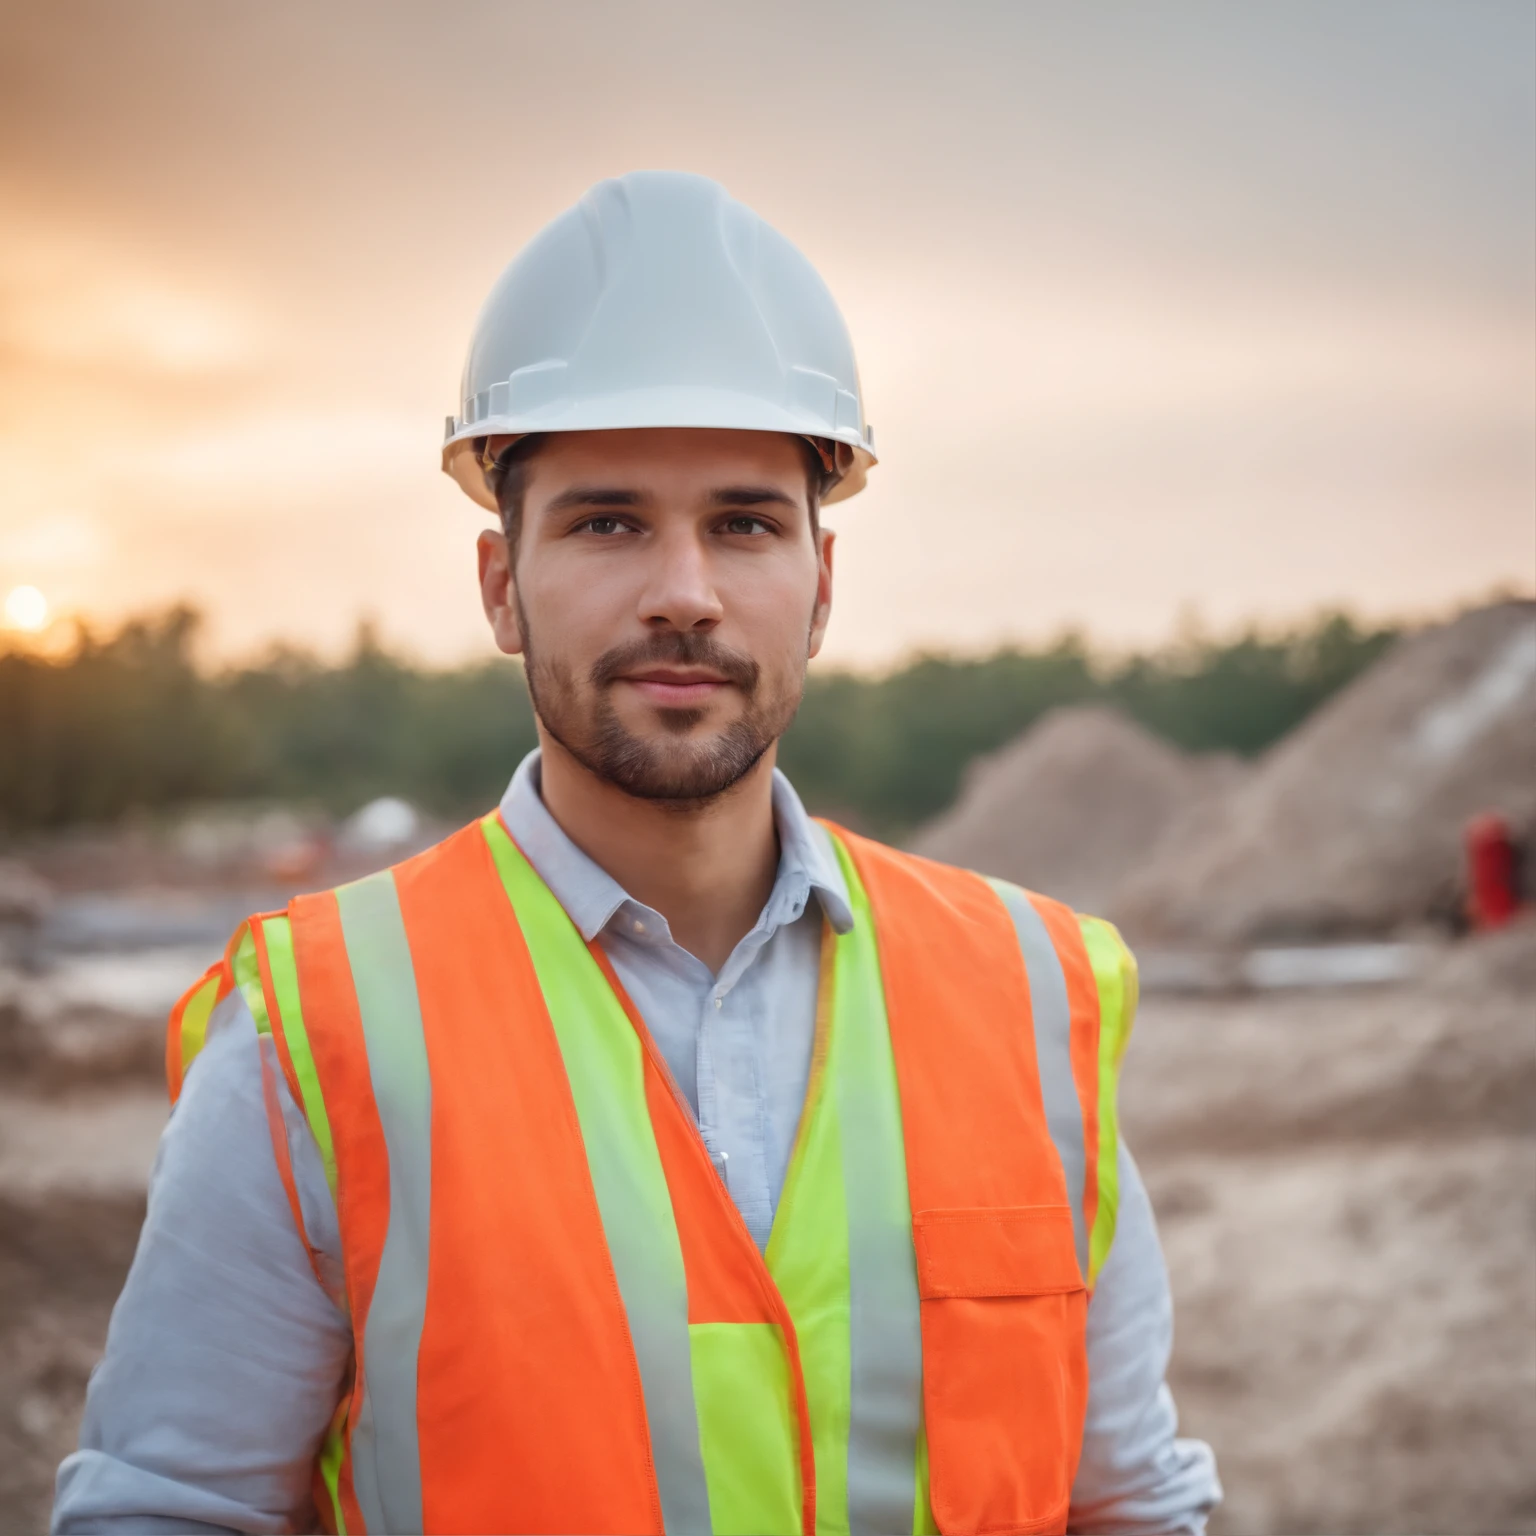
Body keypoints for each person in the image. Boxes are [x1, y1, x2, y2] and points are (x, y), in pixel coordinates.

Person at [54, 171, 1219, 1535]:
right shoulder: (321, 1034)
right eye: (609, 522)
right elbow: (171, 1506)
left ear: (822, 586)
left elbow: (1132, 1502)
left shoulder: (1028, 997)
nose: (685, 592)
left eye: (744, 522)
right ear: (502, 585)